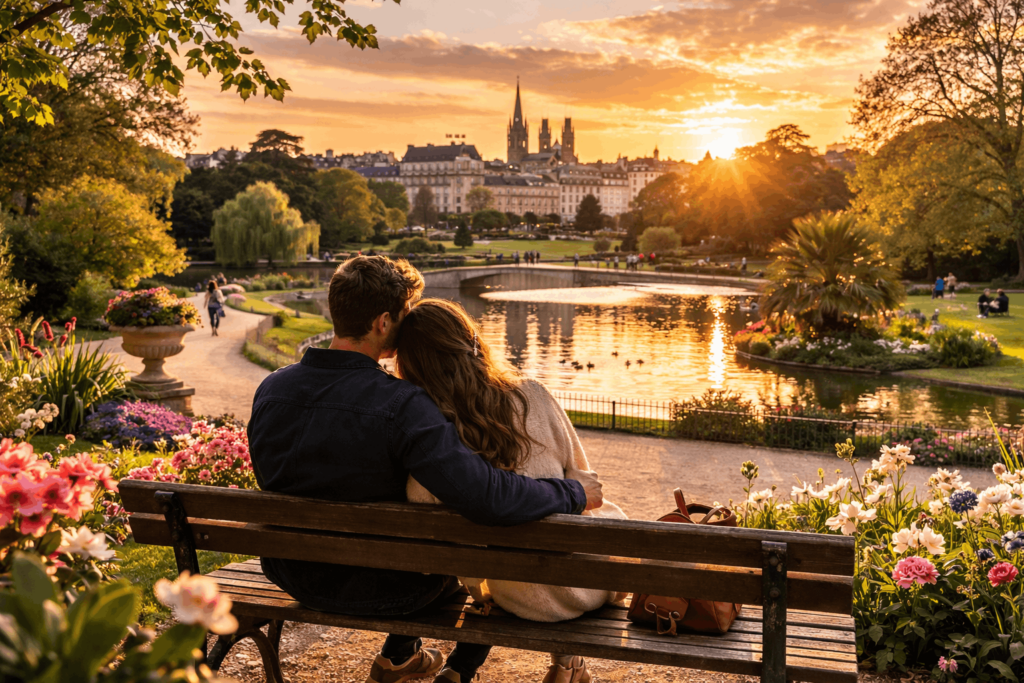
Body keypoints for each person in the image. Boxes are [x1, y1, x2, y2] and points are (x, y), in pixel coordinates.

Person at [248, 256, 601, 683]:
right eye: (404, 316)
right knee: (472, 556)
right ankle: (449, 667)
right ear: (382, 323)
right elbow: (486, 497)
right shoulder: (401, 405)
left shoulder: (272, 388)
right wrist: (573, 493)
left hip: (291, 573)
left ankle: (407, 660)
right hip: (389, 590)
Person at [397, 299, 627, 683]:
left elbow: (423, 511)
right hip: (584, 586)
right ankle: (568, 665)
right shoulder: (533, 395)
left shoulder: (434, 435)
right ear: (472, 341)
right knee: (600, 514)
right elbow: (585, 482)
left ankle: (463, 669)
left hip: (508, 593)